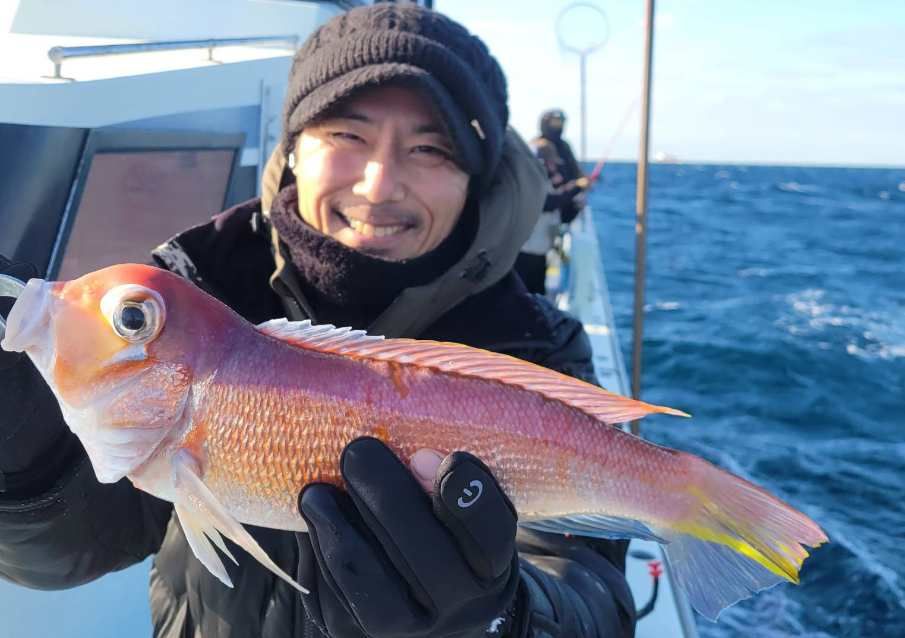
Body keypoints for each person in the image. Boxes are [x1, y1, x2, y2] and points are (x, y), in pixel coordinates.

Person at [0, 6, 635, 638]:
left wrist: (504, 617)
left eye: (430, 149)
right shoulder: (203, 286)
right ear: (295, 150)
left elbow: (591, 590)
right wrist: (21, 439)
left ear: (477, 179)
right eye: (347, 136)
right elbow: (69, 551)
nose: (379, 185)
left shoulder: (536, 345)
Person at [515, 109, 592, 296]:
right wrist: (575, 188)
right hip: (525, 249)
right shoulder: (532, 178)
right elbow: (546, 203)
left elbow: (559, 202)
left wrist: (575, 202)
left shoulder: (560, 154)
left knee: (536, 292)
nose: (552, 166)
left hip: (540, 249)